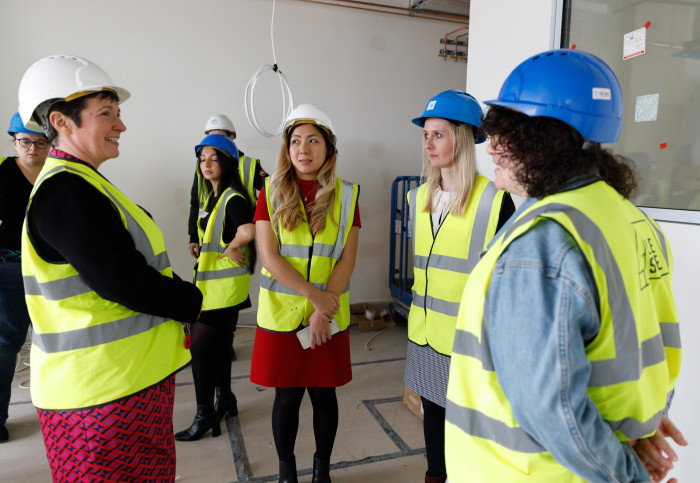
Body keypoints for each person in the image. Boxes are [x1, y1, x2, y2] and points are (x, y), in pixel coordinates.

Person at [444, 49, 682, 482]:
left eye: (509, 133)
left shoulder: (542, 245)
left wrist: (630, 475)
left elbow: (548, 408)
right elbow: (649, 354)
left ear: (548, 140)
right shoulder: (632, 220)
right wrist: (640, 431)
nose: (492, 147)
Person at [17, 54, 201, 481]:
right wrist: (191, 300)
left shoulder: (85, 183)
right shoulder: (65, 193)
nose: (121, 126)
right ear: (62, 122)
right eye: (106, 114)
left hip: (123, 386)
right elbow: (123, 279)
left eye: (118, 114)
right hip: (98, 397)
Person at [403, 90, 514, 483]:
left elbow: (505, 285)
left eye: (439, 135)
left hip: (468, 341)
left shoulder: (495, 201)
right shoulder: (418, 199)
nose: (429, 144)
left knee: (468, 428)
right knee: (433, 415)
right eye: (426, 135)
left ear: (463, 138)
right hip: (425, 332)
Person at [250, 104, 360, 483]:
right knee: (287, 398)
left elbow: (347, 260)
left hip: (325, 316)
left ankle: (321, 471)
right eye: (296, 141)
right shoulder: (270, 191)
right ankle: (286, 473)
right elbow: (269, 257)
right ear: (287, 148)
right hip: (284, 316)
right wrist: (316, 298)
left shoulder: (347, 195)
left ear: (328, 148)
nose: (303, 149)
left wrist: (322, 311)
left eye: (313, 140)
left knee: (324, 397)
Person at [175, 134, 256, 441]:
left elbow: (248, 229)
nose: (206, 165)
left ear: (227, 162)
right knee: (220, 345)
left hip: (222, 292)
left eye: (213, 158)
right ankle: (225, 399)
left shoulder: (232, 196)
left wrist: (233, 245)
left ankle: (204, 414)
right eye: (202, 159)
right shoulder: (213, 196)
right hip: (214, 288)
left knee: (199, 347)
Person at [0, 113, 49, 443]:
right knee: (6, 345)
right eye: (24, 141)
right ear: (13, 140)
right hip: (9, 272)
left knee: (56, 345)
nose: (31, 148)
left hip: (51, 273)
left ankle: (64, 411)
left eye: (39, 141)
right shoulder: (2, 171)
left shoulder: (59, 173)